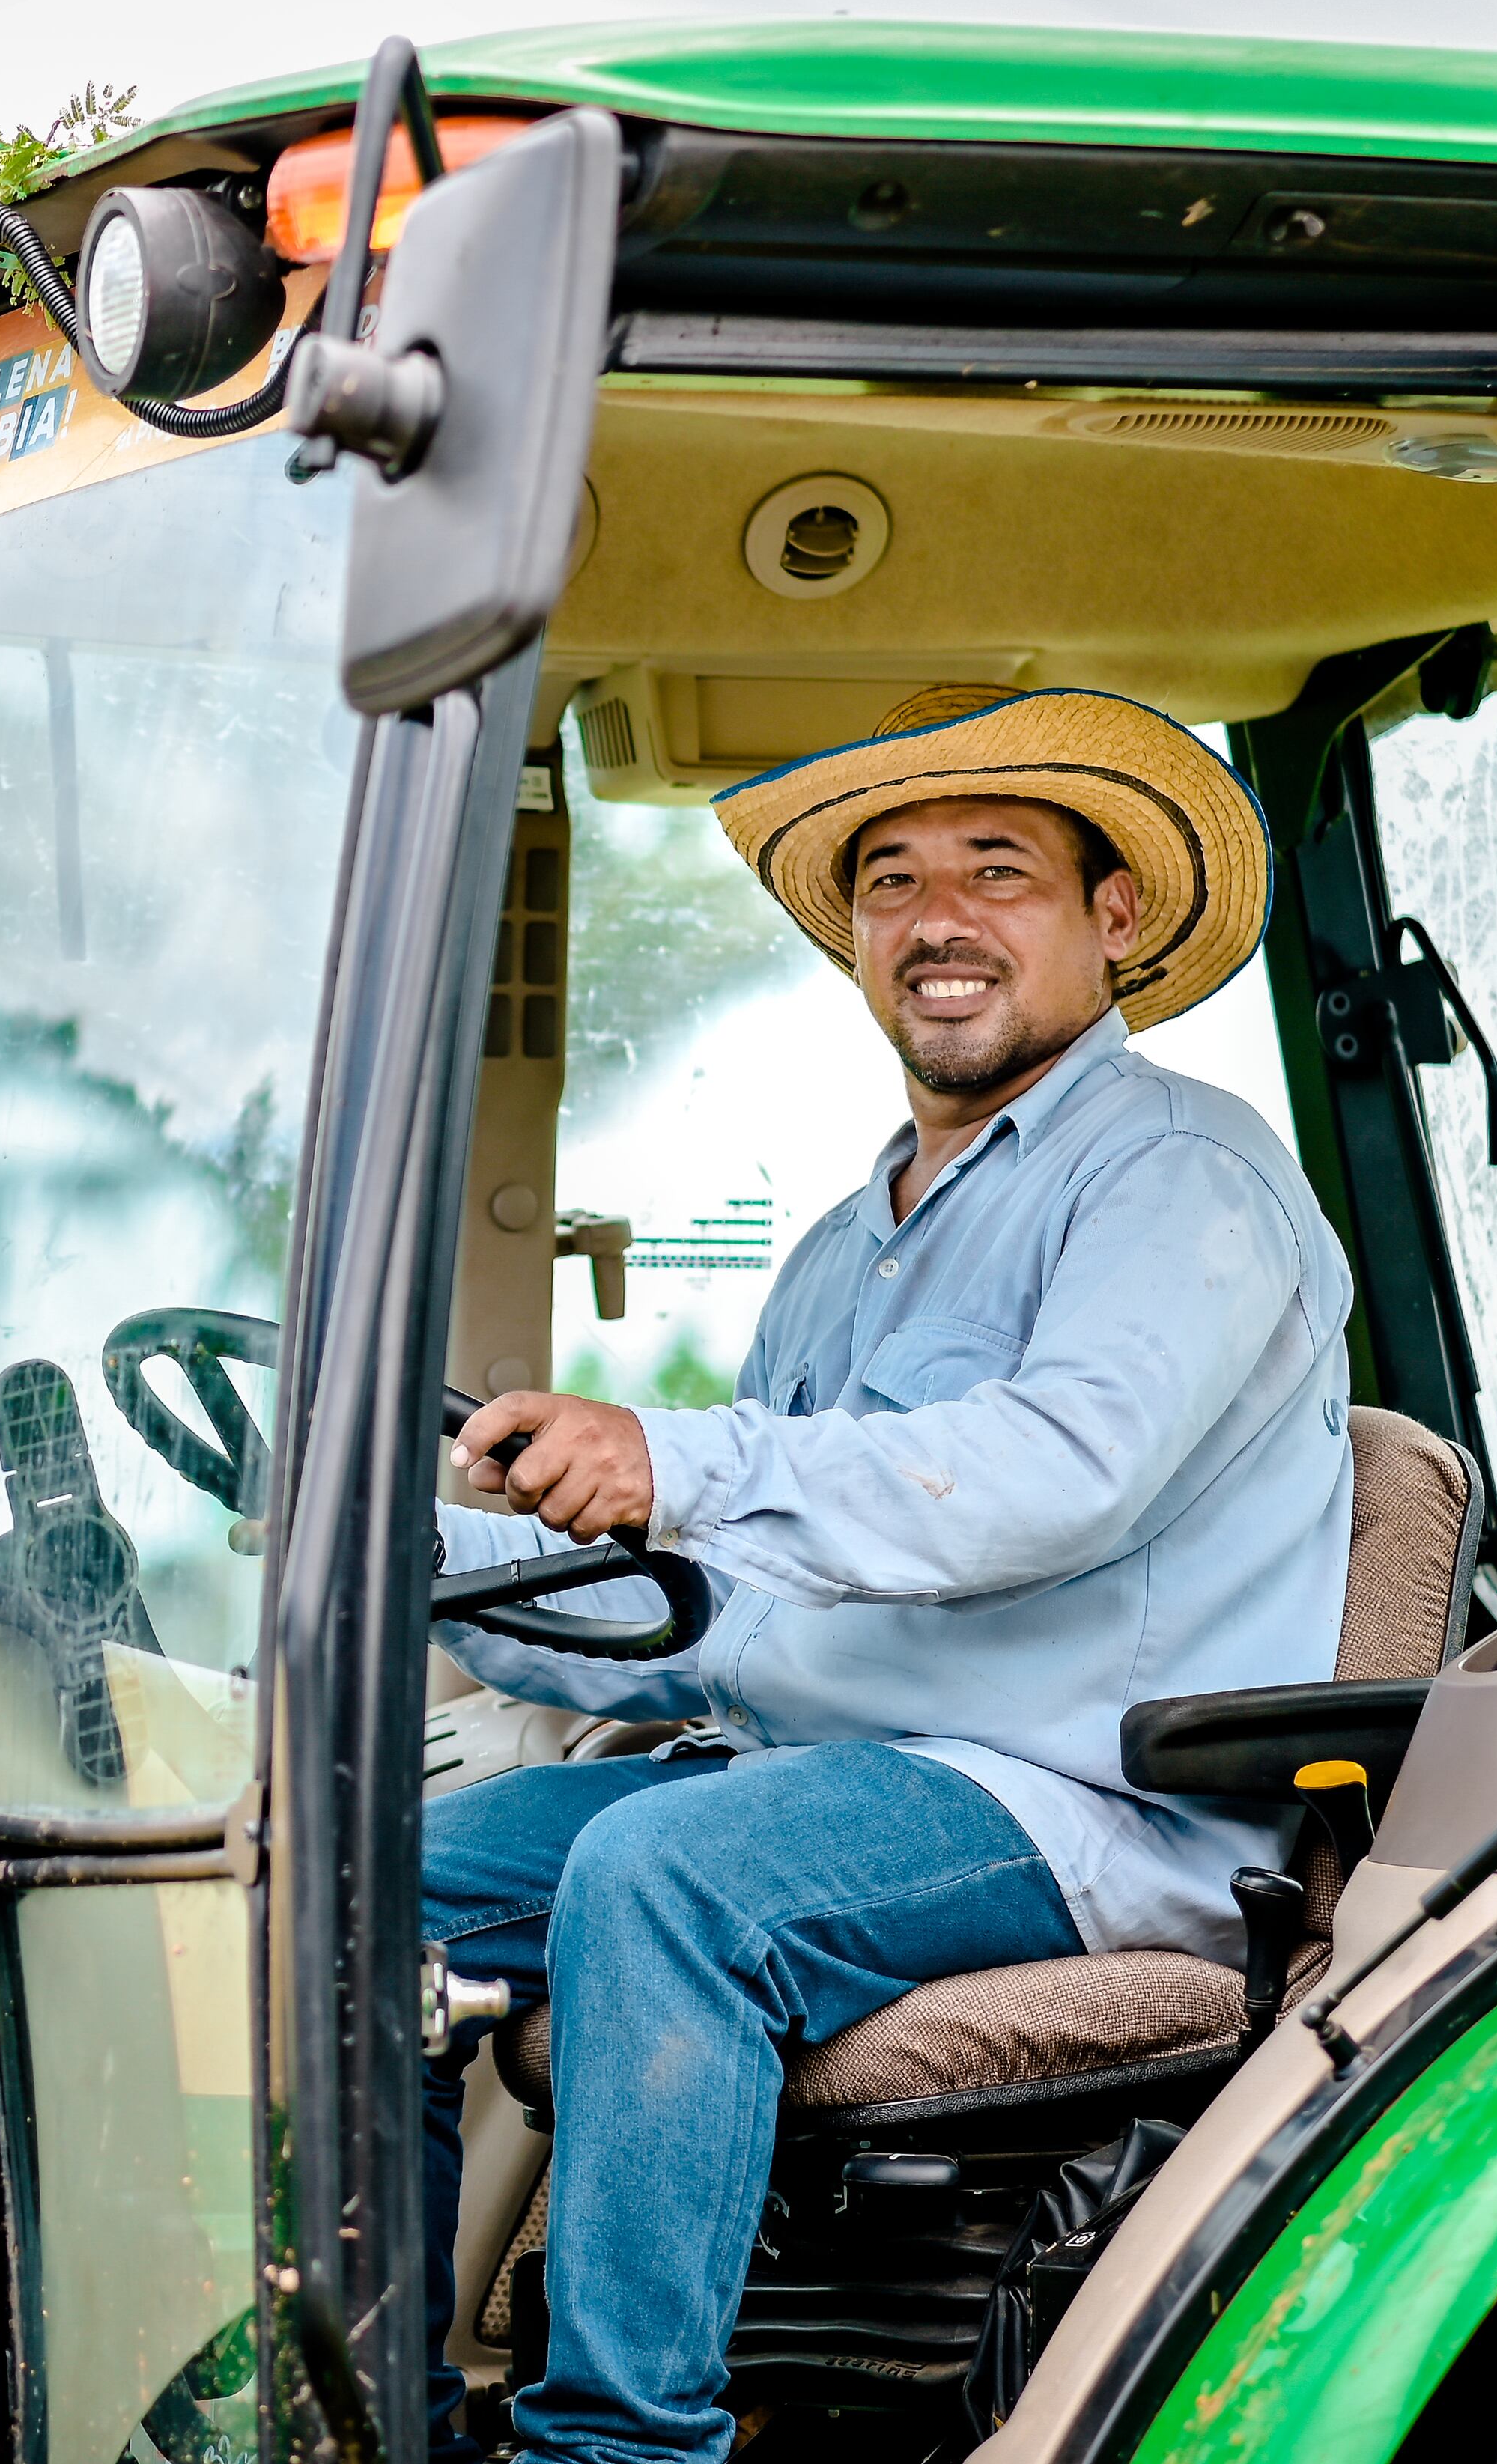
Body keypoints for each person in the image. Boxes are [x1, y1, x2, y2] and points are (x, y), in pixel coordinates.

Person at [422, 684, 1355, 2464]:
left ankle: (611, 2446)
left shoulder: (1178, 1175)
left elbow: (1047, 1478)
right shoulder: (848, 1250)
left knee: (659, 1870)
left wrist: (673, 1456)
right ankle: (349, 2379)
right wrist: (432, 1572)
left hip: (1080, 1804)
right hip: (822, 1776)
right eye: (891, 881)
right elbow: (734, 1616)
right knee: (339, 1872)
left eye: (996, 869)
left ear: (1115, 915)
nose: (937, 917)